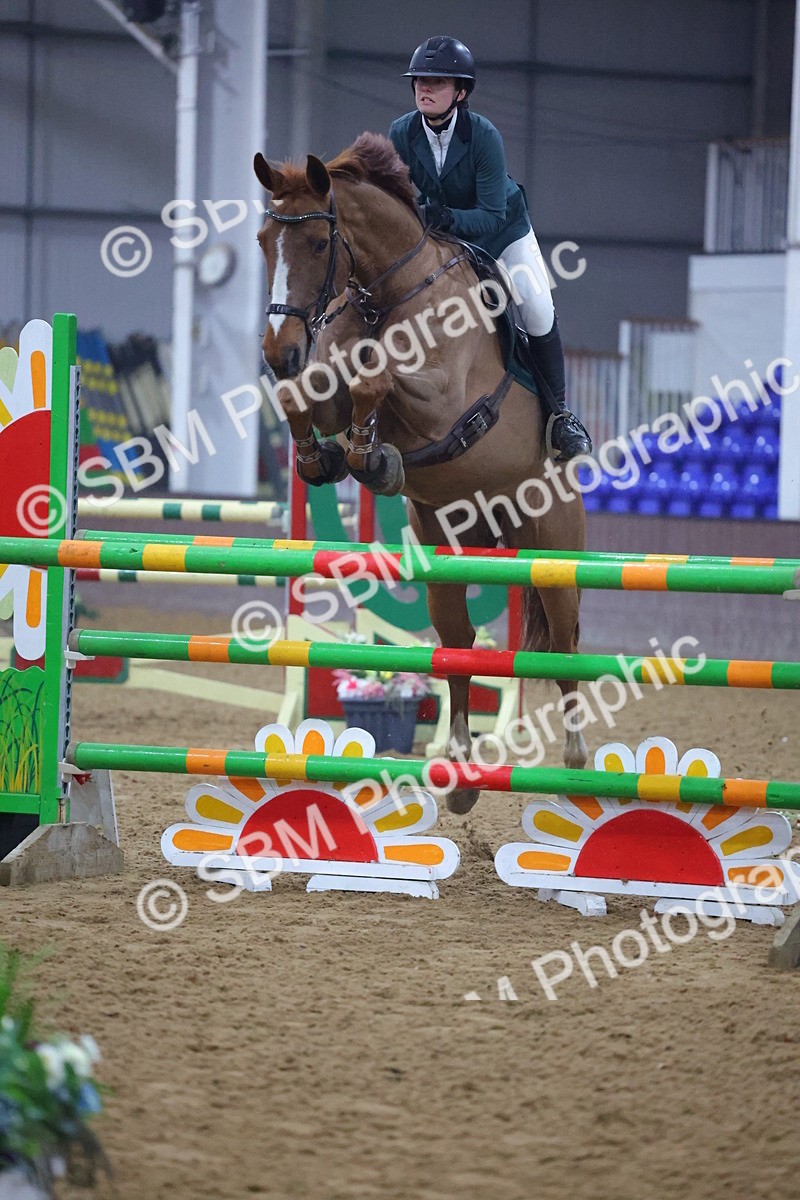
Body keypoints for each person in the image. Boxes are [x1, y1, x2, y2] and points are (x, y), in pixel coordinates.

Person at [389, 35, 592, 461]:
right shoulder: (402, 133)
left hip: (501, 232)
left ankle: (561, 417)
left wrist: (445, 218)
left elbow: (492, 214)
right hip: (444, 239)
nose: (425, 88)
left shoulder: (483, 136)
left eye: (438, 82)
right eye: (420, 80)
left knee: (537, 309)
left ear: (460, 92)